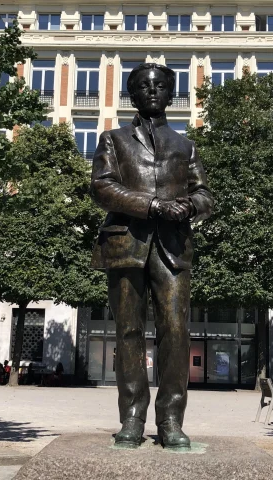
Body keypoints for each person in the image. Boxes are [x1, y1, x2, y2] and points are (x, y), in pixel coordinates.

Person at [90, 63, 213, 449]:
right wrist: (153, 206)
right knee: (127, 333)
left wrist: (190, 206)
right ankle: (131, 418)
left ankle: (171, 421)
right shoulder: (113, 139)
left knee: (175, 332)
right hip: (126, 243)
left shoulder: (186, 145)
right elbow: (103, 188)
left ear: (172, 94)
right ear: (133, 93)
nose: (153, 90)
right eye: (144, 85)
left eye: (160, 85)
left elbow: (206, 194)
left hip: (174, 249)